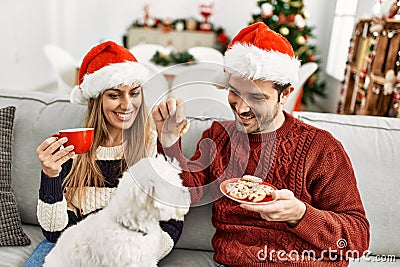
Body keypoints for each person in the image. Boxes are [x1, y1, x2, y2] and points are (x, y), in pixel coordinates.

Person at [152, 22, 370, 266]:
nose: (242, 108)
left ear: (285, 94)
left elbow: (358, 239)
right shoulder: (219, 136)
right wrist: (169, 141)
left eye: (257, 98)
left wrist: (300, 214)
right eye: (235, 92)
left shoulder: (321, 148)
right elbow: (185, 196)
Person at [25, 41, 183, 266]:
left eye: (134, 93)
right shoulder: (71, 149)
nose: (127, 104)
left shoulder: (154, 145)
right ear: (97, 100)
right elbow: (54, 233)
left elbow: (171, 222)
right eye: (115, 95)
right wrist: (50, 175)